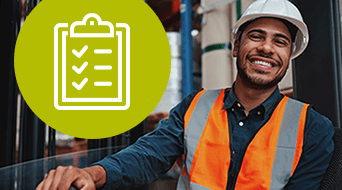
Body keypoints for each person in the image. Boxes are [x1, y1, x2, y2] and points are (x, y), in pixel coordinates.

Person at [36, 0, 334, 189]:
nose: (267, 48)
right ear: (235, 47)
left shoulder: (313, 128)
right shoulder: (196, 106)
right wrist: (94, 174)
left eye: (280, 41)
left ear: (289, 55)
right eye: (256, 36)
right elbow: (147, 156)